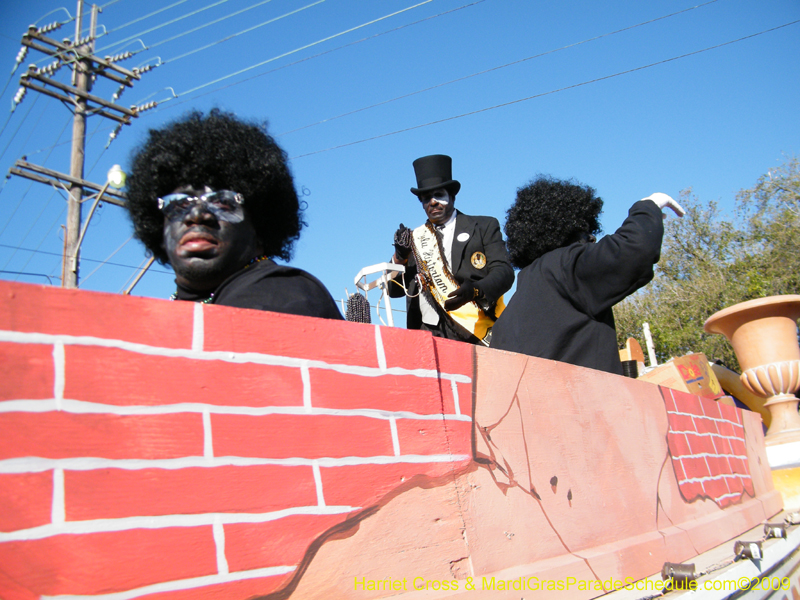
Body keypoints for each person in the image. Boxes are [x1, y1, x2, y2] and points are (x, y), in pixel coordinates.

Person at [125, 109, 342, 320]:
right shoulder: (176, 311)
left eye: (222, 202)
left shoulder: (282, 294)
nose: (197, 215)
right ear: (159, 232)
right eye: (180, 204)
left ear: (259, 230)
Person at [491, 175, 684, 374]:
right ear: (565, 229)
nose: (592, 238)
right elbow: (633, 249)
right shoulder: (564, 268)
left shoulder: (507, 318)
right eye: (585, 231)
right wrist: (648, 207)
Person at [388, 154, 514, 345]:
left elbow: (504, 273)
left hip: (475, 333)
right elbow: (392, 290)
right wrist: (399, 257)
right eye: (425, 198)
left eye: (439, 195)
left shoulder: (484, 226)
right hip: (429, 337)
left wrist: (477, 290)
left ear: (452, 196)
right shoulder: (414, 239)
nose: (432, 202)